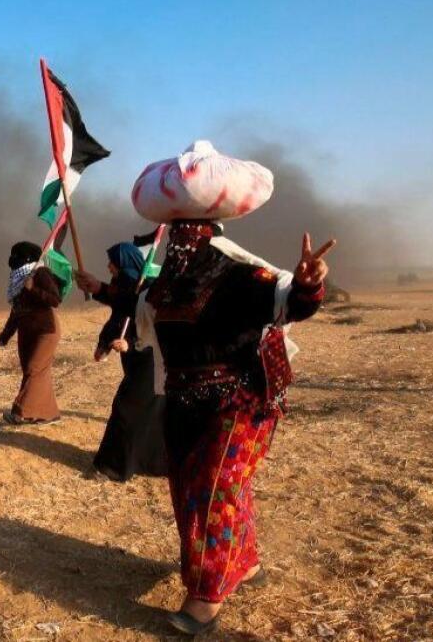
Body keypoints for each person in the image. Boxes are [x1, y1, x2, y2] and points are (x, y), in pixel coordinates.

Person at [135, 222, 333, 634]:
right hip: (182, 403)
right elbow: (136, 309)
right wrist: (102, 290)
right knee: (195, 489)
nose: (182, 242)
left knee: (215, 491)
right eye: (177, 233)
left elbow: (287, 301)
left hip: (240, 402)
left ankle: (206, 598)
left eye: (190, 233)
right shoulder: (165, 283)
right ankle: (245, 563)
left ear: (211, 233)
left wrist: (307, 286)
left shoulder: (237, 271)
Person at [74, 242, 167, 482]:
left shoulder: (149, 288)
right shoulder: (123, 286)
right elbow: (118, 314)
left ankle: (112, 467)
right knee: (145, 411)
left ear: (124, 263)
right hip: (133, 359)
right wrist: (104, 344)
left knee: (127, 408)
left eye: (113, 262)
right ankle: (151, 462)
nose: (108, 266)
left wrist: (133, 340)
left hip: (149, 358)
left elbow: (154, 323)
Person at [0, 241, 63, 425]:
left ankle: (20, 412)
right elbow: (16, 310)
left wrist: (33, 288)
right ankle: (48, 414)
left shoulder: (40, 272)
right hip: (27, 332)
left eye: (16, 255)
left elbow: (55, 299)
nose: (12, 259)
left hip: (45, 331)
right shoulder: (17, 279)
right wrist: (5, 335)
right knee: (33, 372)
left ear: (26, 258)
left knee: (34, 369)